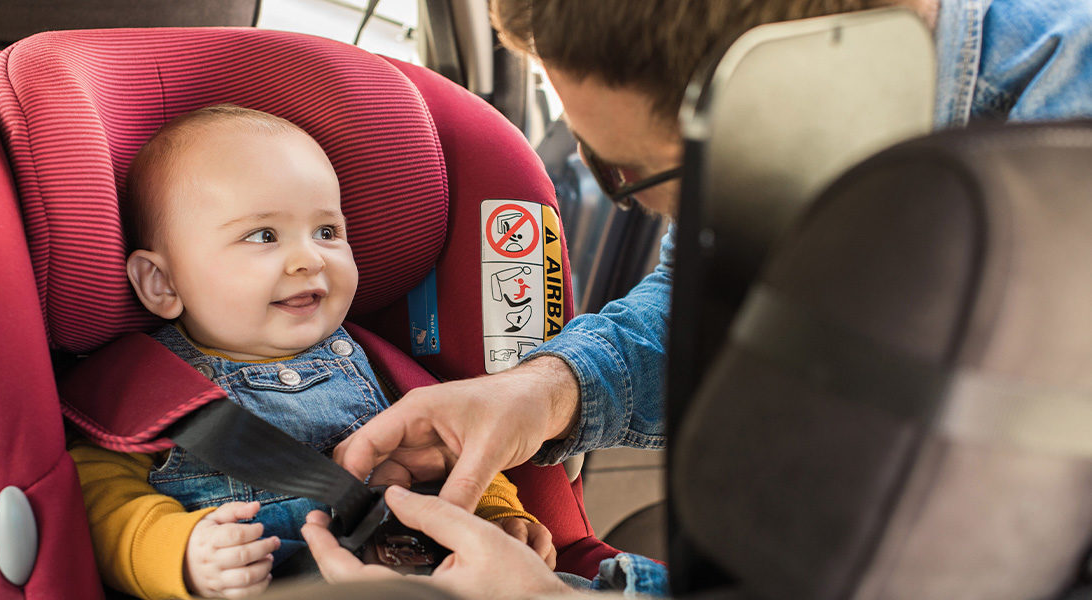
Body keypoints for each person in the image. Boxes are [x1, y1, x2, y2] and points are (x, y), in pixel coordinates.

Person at [304, 0, 1092, 597]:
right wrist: (544, 392)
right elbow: (714, 282)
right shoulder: (804, 129)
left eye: (634, 173)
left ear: (798, 87)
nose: (639, 207)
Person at [68, 104, 555, 600]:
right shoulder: (143, 391)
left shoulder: (378, 365)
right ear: (162, 282)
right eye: (263, 236)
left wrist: (497, 513)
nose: (309, 258)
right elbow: (100, 501)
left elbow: (452, 452)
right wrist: (183, 553)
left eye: (327, 232)